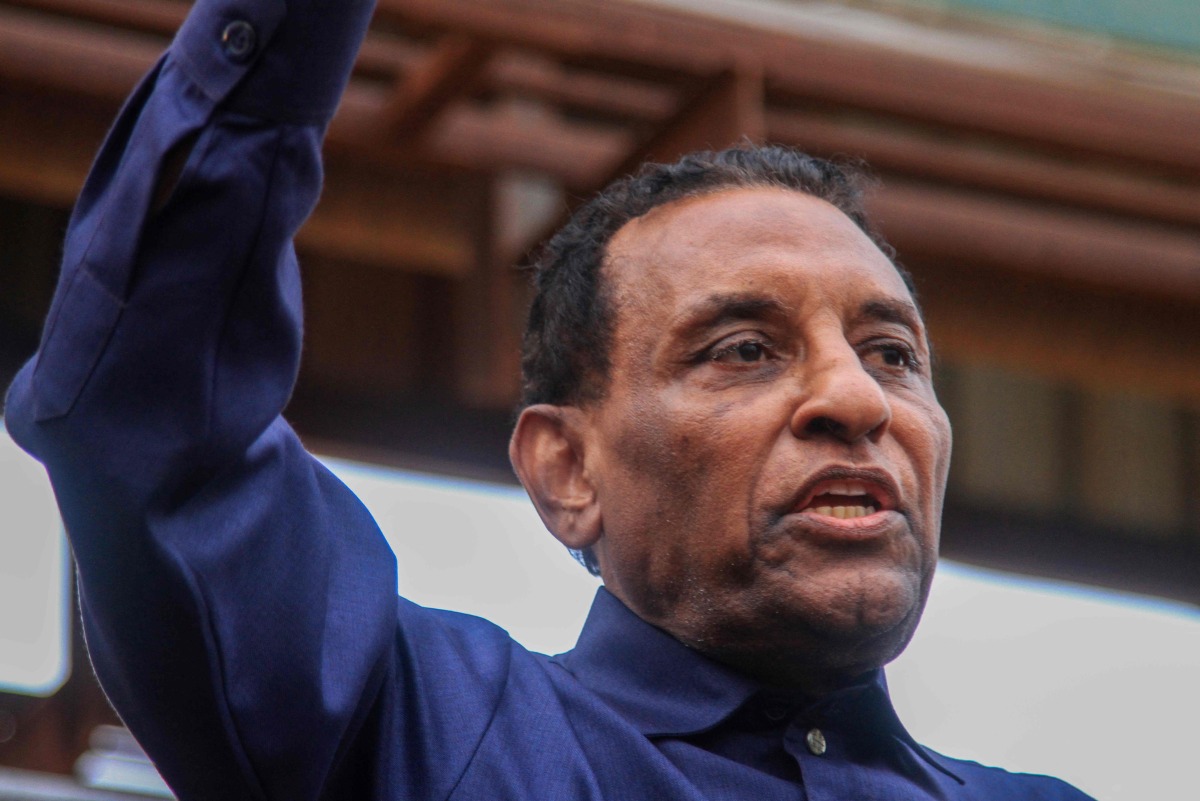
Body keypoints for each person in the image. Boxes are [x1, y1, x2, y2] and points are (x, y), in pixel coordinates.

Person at [4, 0, 1093, 799]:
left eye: (894, 354)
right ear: (567, 471)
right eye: (747, 349)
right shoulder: (417, 734)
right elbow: (148, 415)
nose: (855, 398)